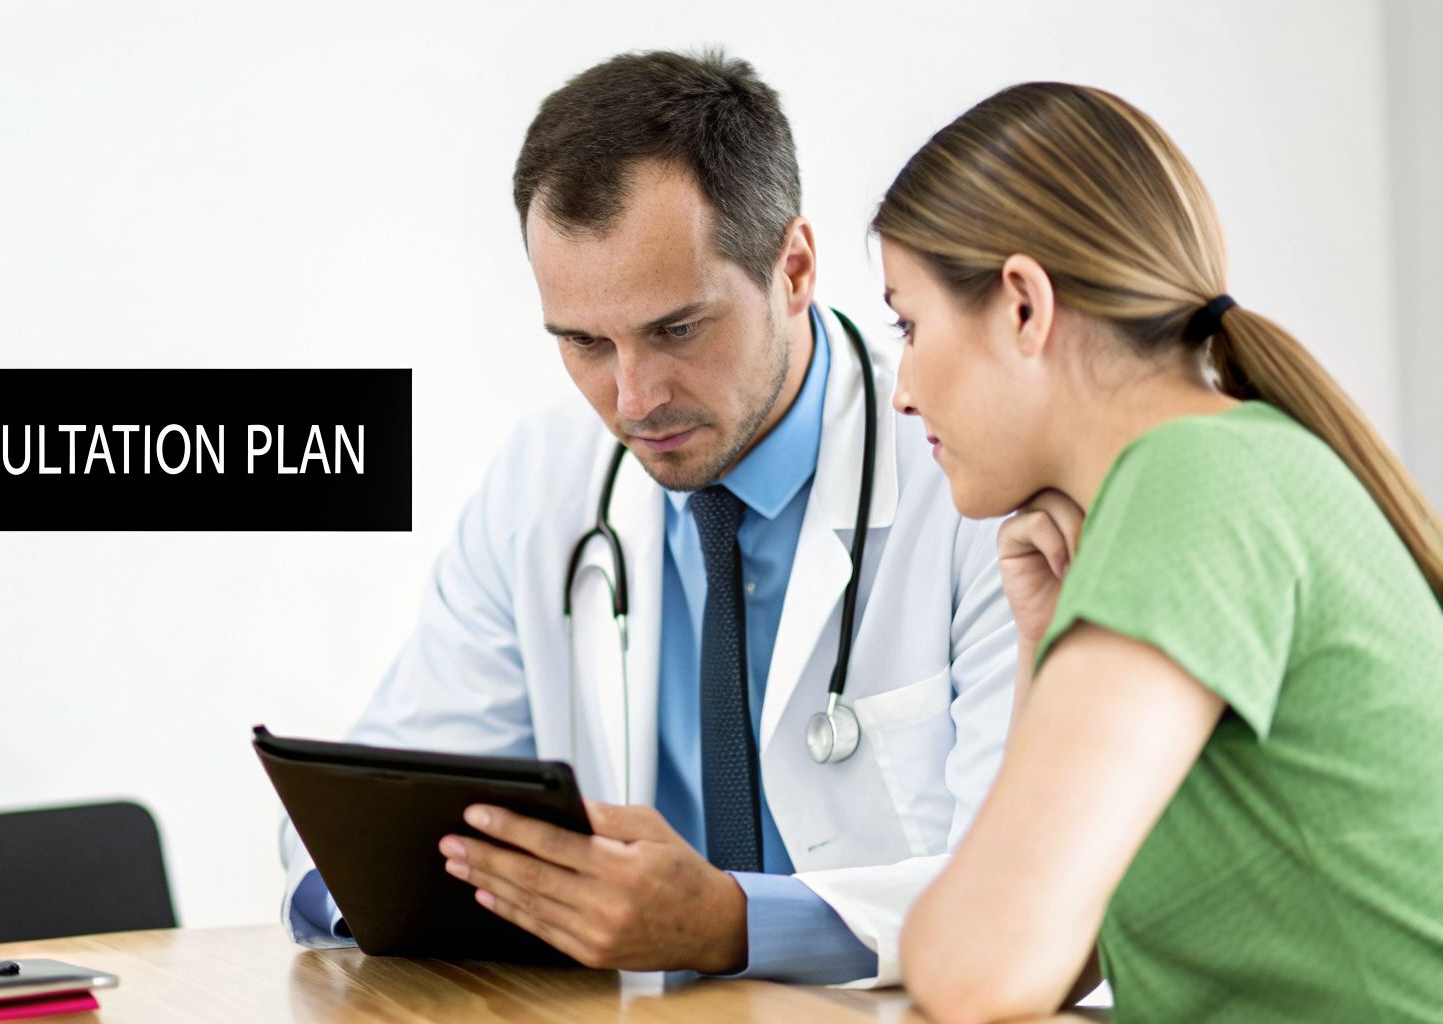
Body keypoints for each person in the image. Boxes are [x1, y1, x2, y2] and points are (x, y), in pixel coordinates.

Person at [280, 49, 1017, 985]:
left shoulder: (974, 477)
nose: (633, 400)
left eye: (676, 330)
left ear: (793, 268)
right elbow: (360, 815)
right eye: (585, 343)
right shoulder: (544, 482)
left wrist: (732, 925)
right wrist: (373, 884)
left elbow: (1032, 891)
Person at [875, 81, 1443, 1022]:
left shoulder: (1196, 481)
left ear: (1023, 305)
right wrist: (1044, 645)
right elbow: (1057, 963)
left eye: (908, 324)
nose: (901, 391)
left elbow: (977, 968)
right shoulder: (1228, 464)